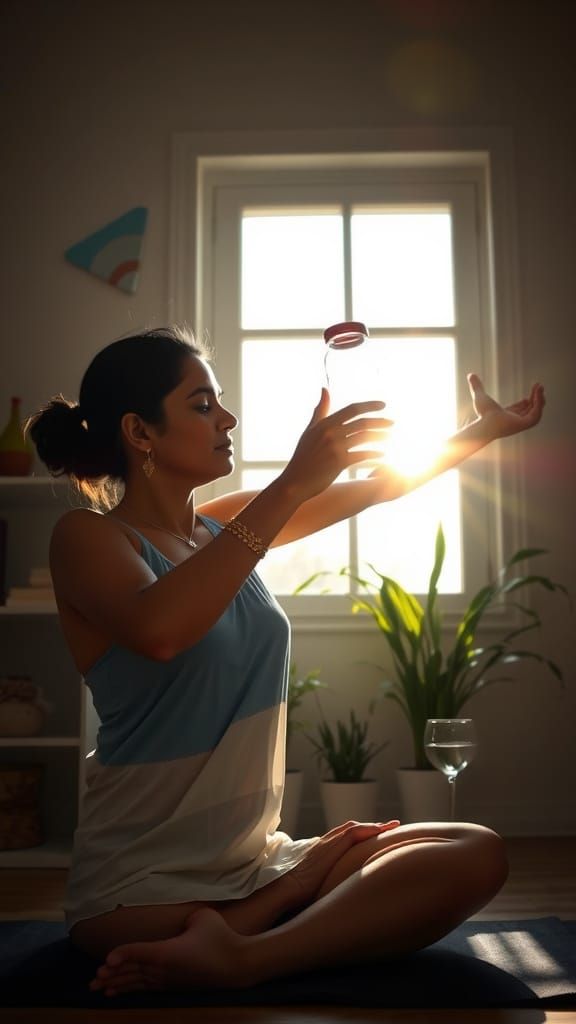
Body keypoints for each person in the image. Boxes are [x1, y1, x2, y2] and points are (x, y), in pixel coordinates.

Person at [27, 324, 544, 996]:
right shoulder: (89, 538)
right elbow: (162, 630)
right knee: (396, 877)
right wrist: (292, 484)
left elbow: (378, 488)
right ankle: (265, 924)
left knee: (474, 851)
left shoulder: (219, 530)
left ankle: (248, 944)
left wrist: (480, 433)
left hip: (255, 862)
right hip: (140, 886)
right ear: (140, 431)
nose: (227, 418)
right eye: (202, 404)